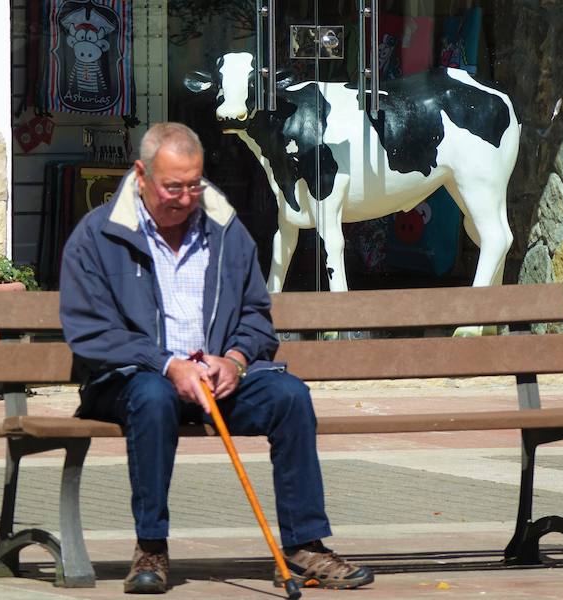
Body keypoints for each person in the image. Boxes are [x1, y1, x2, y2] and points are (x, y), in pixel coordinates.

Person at [59, 122, 374, 594]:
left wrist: (236, 359)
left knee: (289, 396)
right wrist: (168, 365)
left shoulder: (225, 230)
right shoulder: (97, 236)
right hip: (133, 378)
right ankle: (151, 547)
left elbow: (255, 315)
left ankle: (304, 545)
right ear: (141, 175)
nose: (185, 198)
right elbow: (90, 331)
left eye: (194, 184)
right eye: (173, 187)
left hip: (215, 378)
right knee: (152, 398)